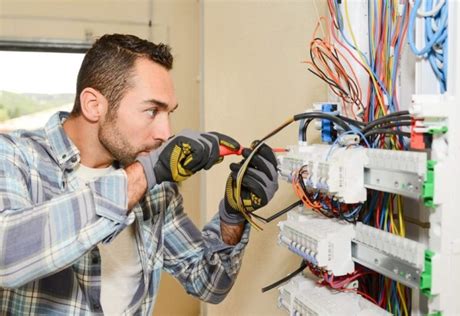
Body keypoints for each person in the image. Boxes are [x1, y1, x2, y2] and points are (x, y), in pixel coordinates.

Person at [0, 34, 279, 315]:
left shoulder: (155, 186)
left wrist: (233, 214)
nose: (166, 133)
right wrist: (146, 173)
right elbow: (7, 255)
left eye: (168, 112)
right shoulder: (16, 158)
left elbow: (207, 283)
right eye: (152, 111)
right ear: (93, 105)